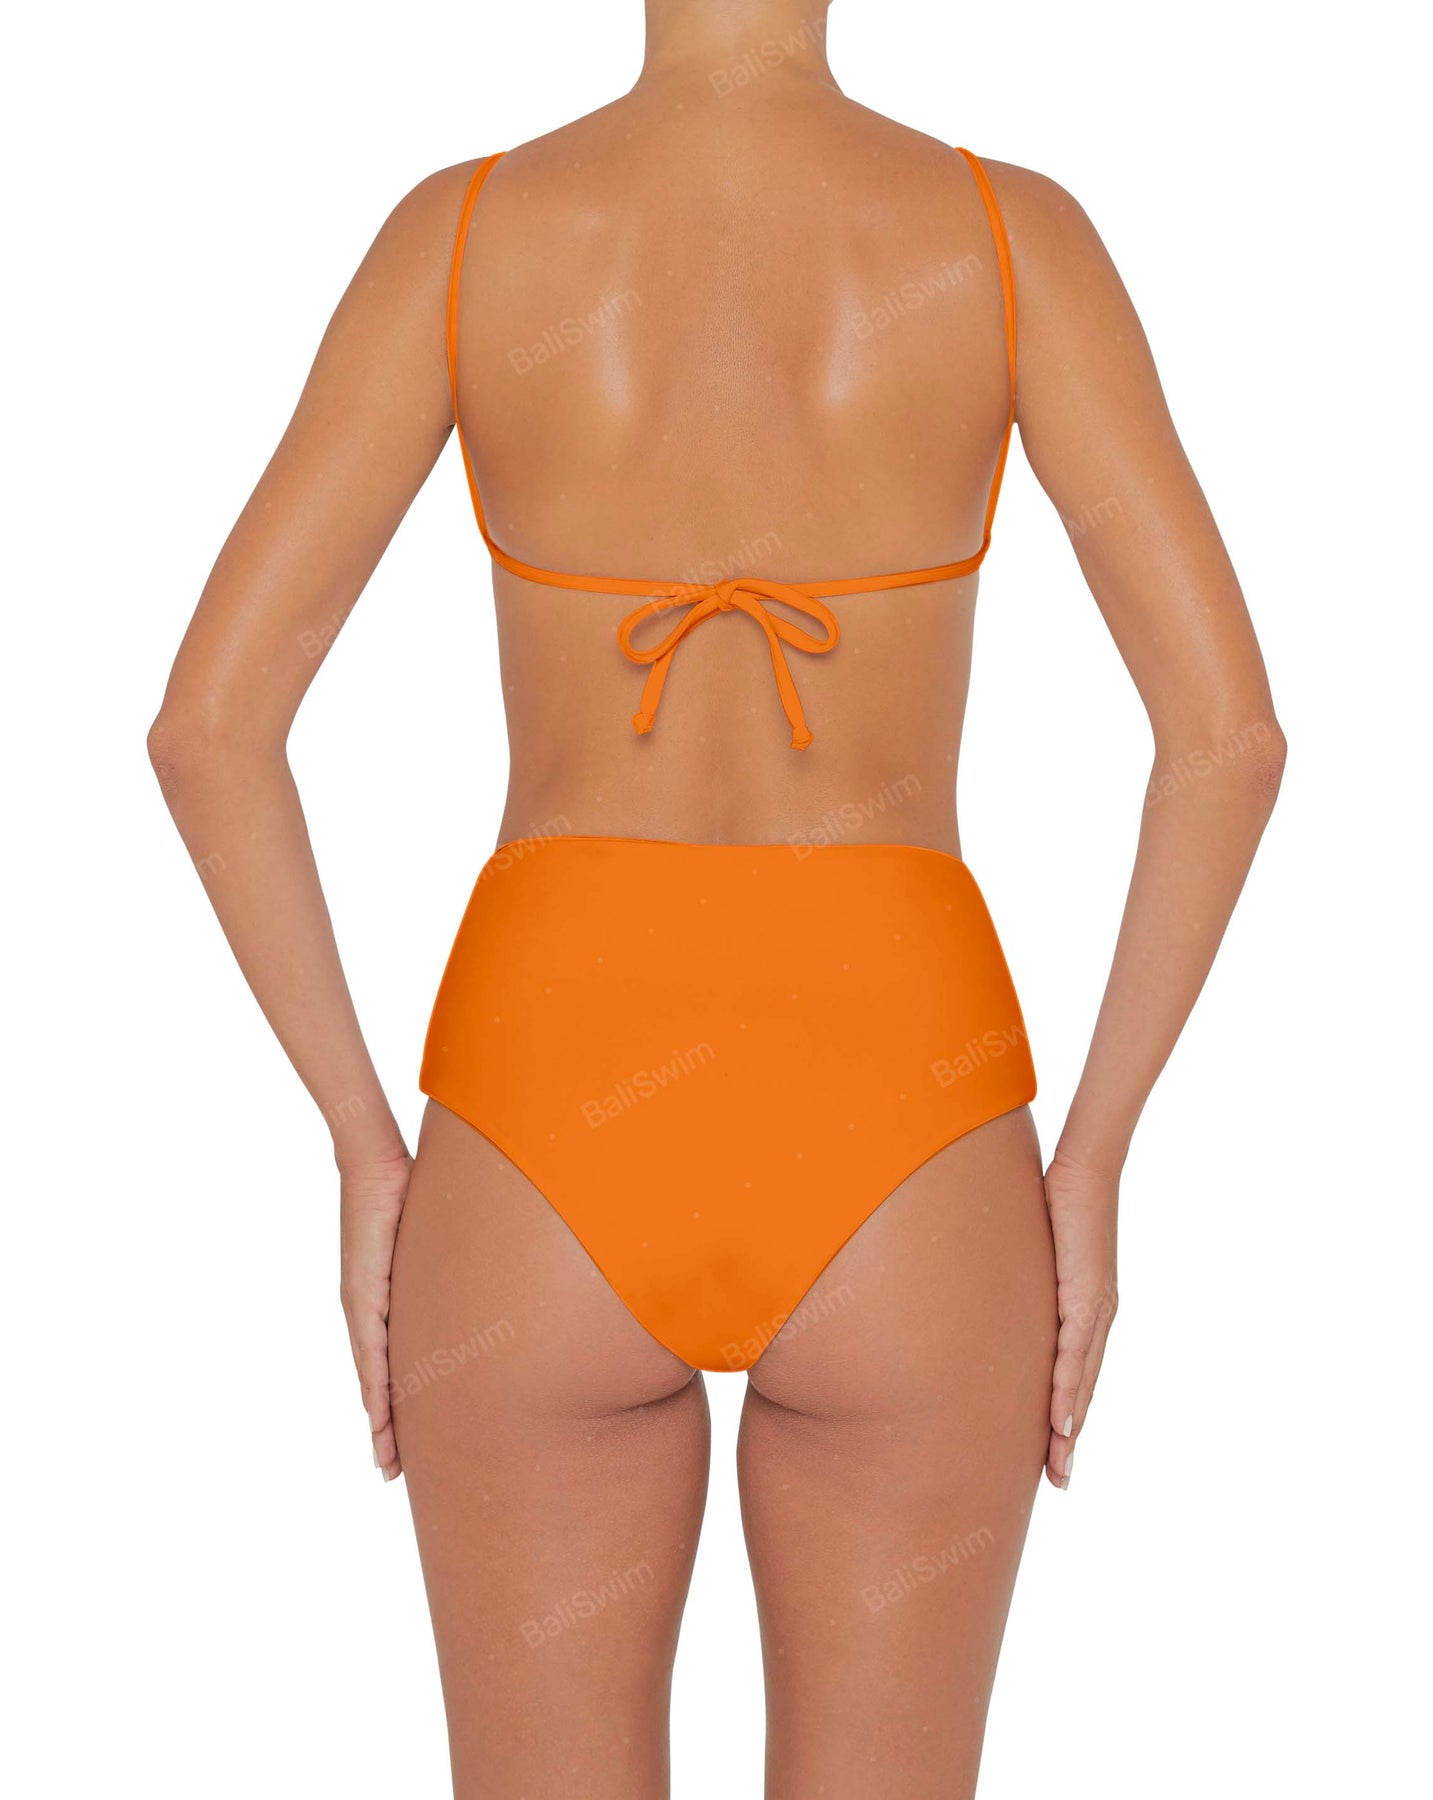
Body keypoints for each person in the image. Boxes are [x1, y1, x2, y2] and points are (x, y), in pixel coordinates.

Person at [148, 2, 1284, 1792]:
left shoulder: (468, 234)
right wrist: (1096, 1155)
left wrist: (363, 1145)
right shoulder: (1007, 239)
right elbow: (1227, 740)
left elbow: (211, 729)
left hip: (538, 1117)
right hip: (910, 1127)